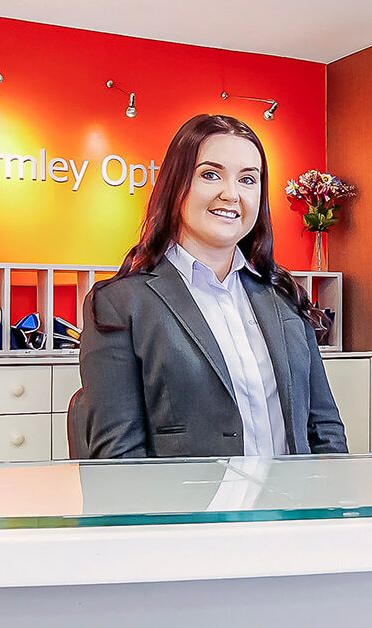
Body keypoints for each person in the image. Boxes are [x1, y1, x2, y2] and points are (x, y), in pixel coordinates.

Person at [75, 114, 347, 458]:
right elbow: (119, 459)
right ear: (177, 186)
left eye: (248, 179)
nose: (231, 194)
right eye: (210, 174)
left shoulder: (283, 295)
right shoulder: (120, 303)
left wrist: (330, 491)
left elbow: (324, 429)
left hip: (291, 494)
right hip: (186, 497)